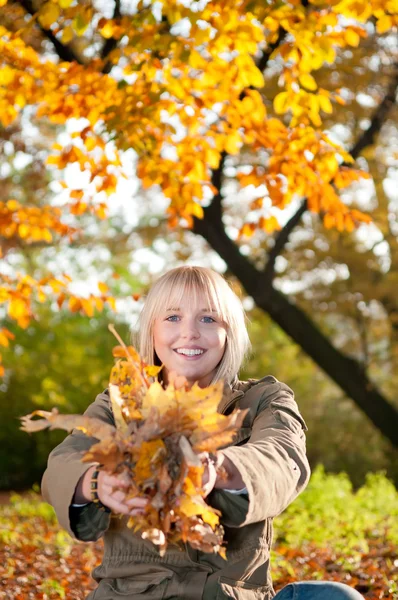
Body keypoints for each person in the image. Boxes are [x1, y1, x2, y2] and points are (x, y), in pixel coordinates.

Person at [42, 266, 364, 600]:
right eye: (172, 317)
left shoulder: (264, 400)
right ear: (151, 330)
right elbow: (64, 463)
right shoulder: (119, 406)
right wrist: (95, 482)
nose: (190, 333)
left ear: (230, 332)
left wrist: (220, 468)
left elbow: (282, 458)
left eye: (208, 319)